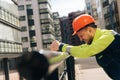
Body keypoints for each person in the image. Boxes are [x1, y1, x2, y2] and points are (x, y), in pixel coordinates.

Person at [50, 14, 120, 80]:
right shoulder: (97, 41)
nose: (81, 39)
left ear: (89, 30)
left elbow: (87, 51)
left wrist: (61, 47)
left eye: (81, 36)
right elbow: (82, 48)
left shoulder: (108, 36)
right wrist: (61, 46)